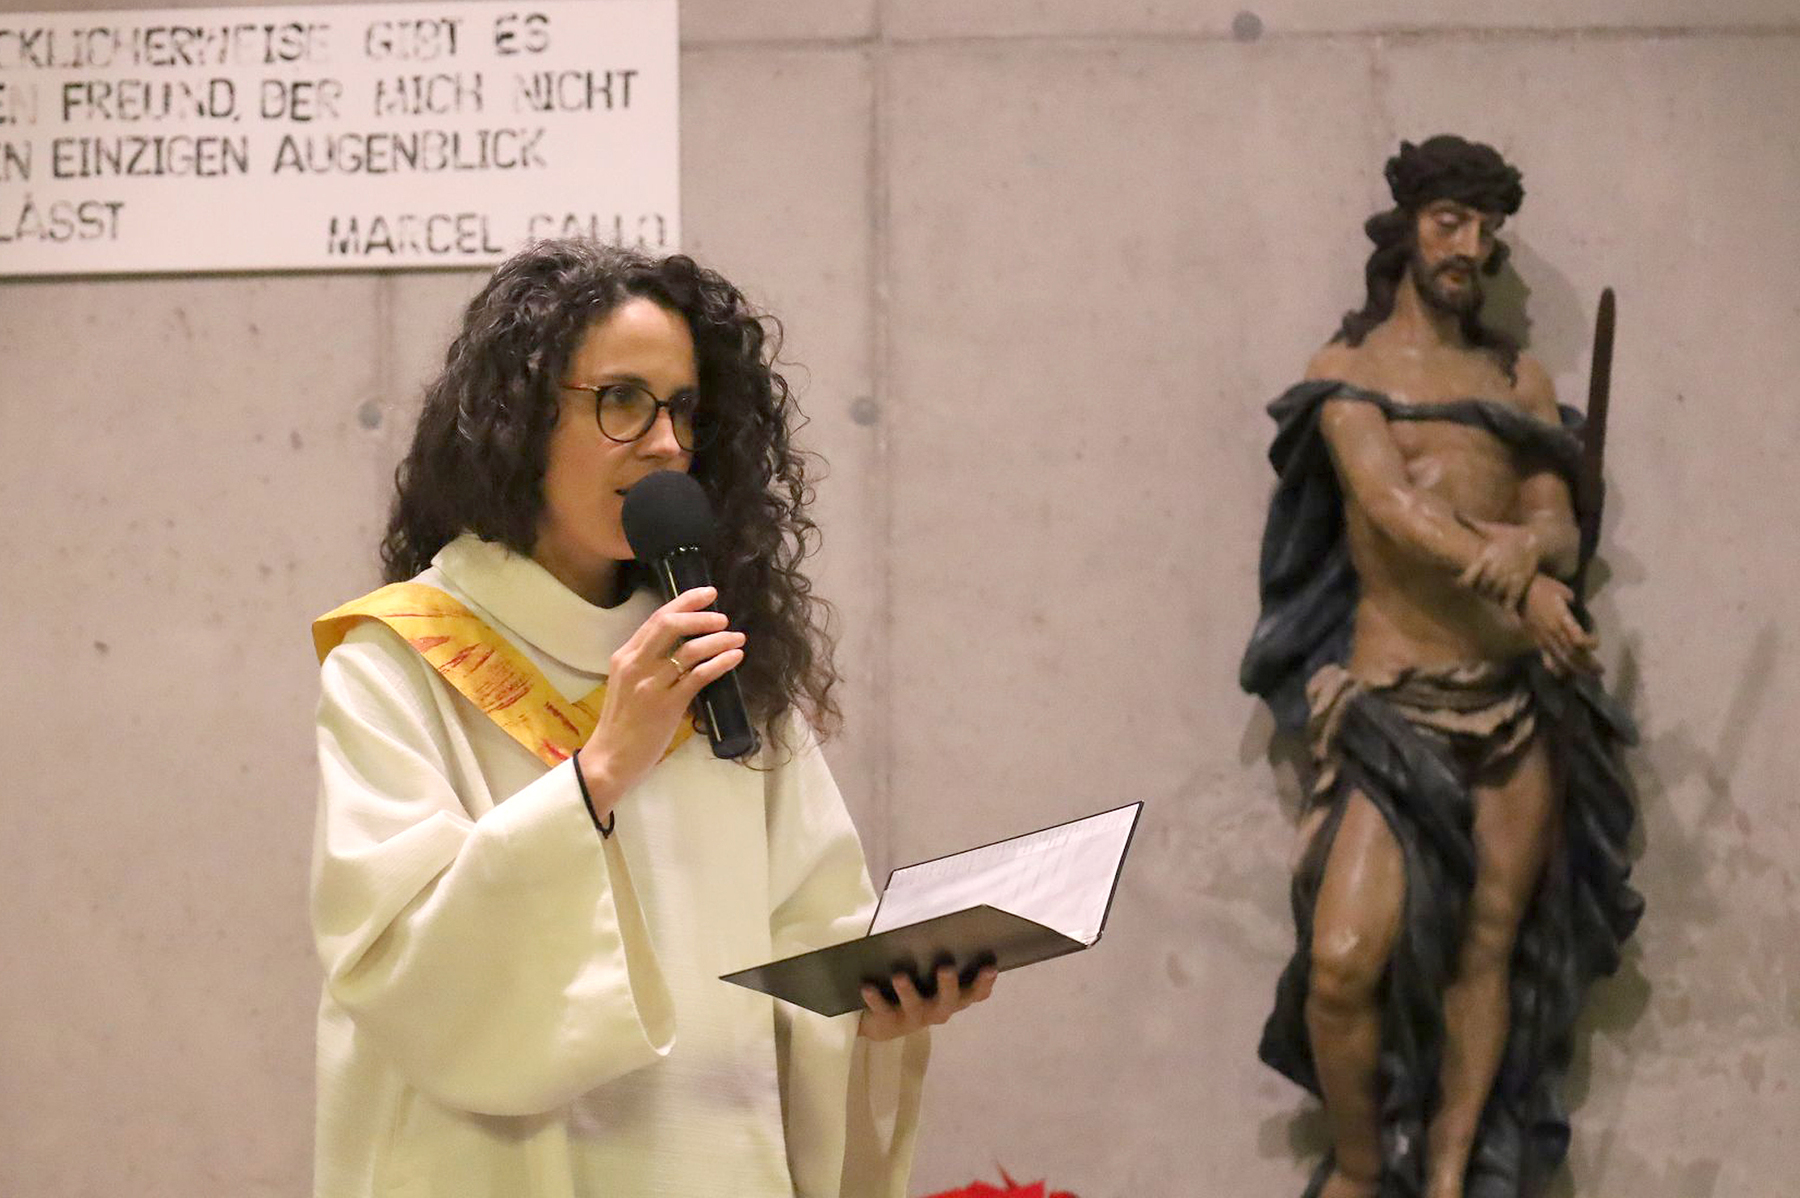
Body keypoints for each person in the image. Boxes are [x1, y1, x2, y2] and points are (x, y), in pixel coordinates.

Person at [307, 239, 996, 1198]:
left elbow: (808, 947)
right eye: (622, 400)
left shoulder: (724, 668)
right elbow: (398, 969)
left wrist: (875, 1008)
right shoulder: (400, 660)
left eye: (683, 408)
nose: (667, 443)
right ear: (520, 419)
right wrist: (597, 775)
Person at [1240, 137, 1643, 1198]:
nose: (1469, 247)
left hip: (1514, 706)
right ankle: (1361, 1171)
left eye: (1485, 230)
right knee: (1343, 961)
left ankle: (1456, 1175)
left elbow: (1557, 522)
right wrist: (1520, 580)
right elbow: (1391, 509)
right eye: (1450, 222)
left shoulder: (1518, 380)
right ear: (1407, 231)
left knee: (1488, 949)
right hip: (1393, 705)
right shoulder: (1351, 373)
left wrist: (1532, 552)